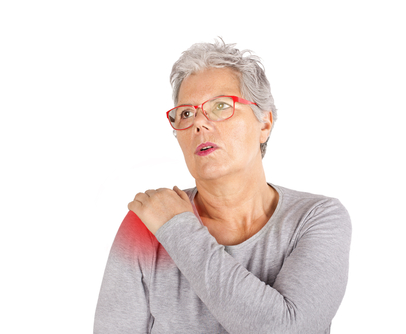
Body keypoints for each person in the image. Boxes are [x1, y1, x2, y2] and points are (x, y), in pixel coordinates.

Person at [94, 38, 351, 334]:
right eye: (186, 113)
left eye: (220, 106)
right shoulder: (147, 223)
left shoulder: (317, 218)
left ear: (265, 124)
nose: (200, 124)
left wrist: (178, 229)